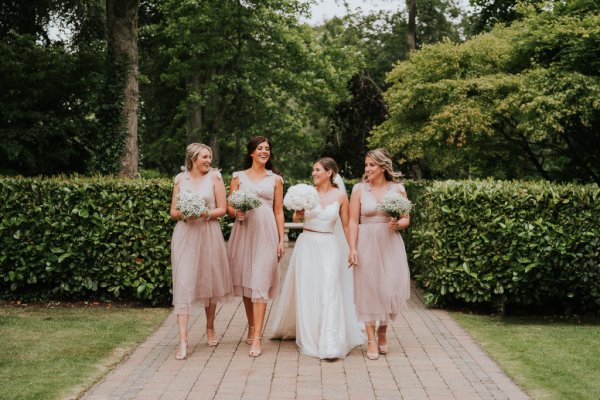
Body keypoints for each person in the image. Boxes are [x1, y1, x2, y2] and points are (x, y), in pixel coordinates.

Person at [271, 158, 364, 359]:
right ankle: (311, 336)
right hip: (307, 245)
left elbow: (347, 225)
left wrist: (352, 248)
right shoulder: (307, 193)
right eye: (313, 170)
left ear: (329, 172)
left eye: (317, 170)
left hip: (329, 246)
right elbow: (296, 218)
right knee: (309, 290)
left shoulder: (340, 196)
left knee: (329, 290)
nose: (313, 173)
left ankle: (330, 342)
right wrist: (299, 212)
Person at [169, 143, 233, 360]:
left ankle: (210, 327)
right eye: (205, 157)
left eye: (210, 157)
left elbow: (222, 209)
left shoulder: (215, 177)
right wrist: (185, 214)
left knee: (209, 280)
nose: (208, 160)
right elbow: (173, 211)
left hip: (208, 233)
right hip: (185, 235)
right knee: (183, 283)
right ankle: (183, 341)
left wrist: (204, 213)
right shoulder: (180, 179)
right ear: (193, 158)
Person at [348, 148, 411, 360]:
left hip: (389, 242)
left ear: (383, 166)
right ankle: (371, 340)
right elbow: (351, 221)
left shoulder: (397, 189)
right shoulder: (358, 189)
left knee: (389, 288)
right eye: (366, 165)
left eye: (372, 165)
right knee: (368, 290)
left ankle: (383, 329)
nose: (367, 169)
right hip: (366, 242)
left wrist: (398, 223)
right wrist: (352, 248)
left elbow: (406, 219)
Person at [227, 136, 285, 357]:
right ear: (251, 152)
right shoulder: (237, 177)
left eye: (267, 148)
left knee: (260, 281)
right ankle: (251, 326)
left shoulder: (276, 180)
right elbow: (230, 207)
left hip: (267, 233)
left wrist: (281, 240)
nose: (264, 151)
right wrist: (236, 212)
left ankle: (258, 337)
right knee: (247, 281)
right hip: (244, 231)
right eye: (260, 148)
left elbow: (278, 211)